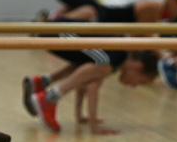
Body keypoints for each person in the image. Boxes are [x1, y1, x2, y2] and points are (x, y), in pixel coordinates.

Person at [21, 21, 158, 134]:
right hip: (60, 32)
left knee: (91, 65)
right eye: (139, 82)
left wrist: (80, 116)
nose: (134, 86)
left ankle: (42, 82)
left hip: (56, 31)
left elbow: (89, 85)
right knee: (99, 65)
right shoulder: (119, 55)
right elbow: (92, 85)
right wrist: (94, 127)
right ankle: (49, 98)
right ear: (138, 67)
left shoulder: (118, 56)